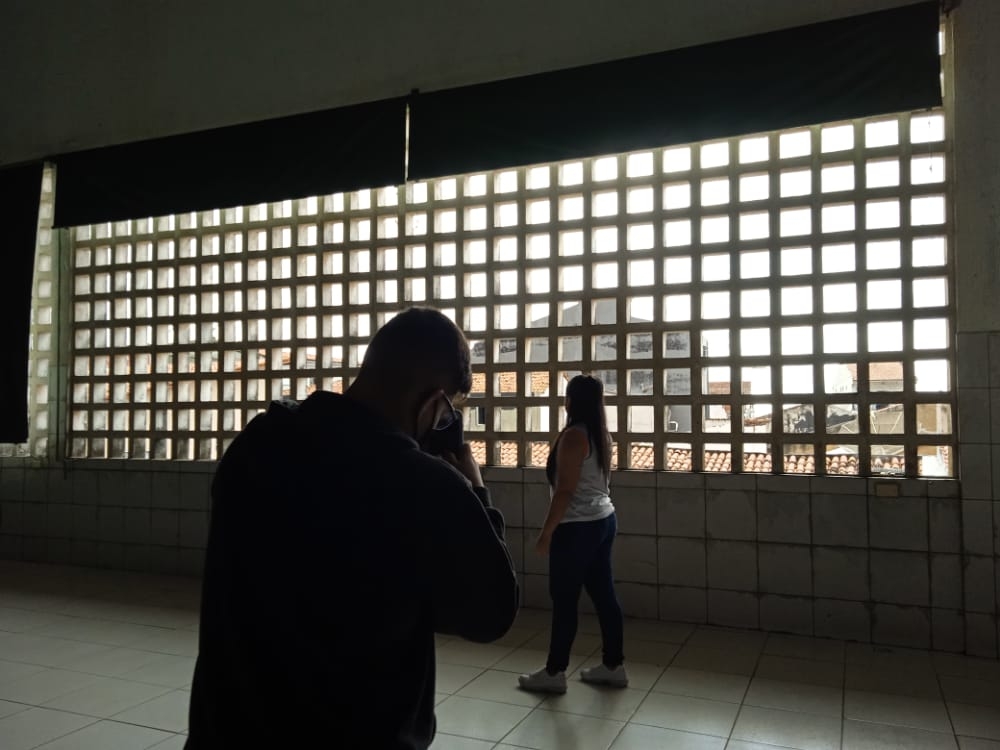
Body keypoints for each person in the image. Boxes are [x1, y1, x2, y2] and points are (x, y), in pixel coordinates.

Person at [186, 307, 519, 750]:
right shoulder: (424, 484)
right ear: (432, 403)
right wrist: (475, 494)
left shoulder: (258, 443)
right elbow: (490, 613)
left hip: (228, 732)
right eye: (444, 416)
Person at [518, 374, 627, 694]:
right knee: (604, 596)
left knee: (565, 600)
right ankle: (613, 666)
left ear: (571, 400)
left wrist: (546, 533)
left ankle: (554, 672)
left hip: (577, 527)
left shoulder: (574, 436)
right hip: (603, 519)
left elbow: (565, 491)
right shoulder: (600, 434)